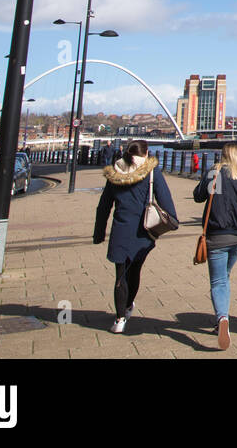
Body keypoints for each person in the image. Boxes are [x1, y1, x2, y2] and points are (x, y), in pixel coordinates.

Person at [93, 140, 178, 334]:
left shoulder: (115, 174)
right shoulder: (151, 172)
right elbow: (164, 197)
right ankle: (128, 304)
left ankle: (120, 318)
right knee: (135, 270)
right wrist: (173, 219)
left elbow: (104, 205)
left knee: (120, 274)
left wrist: (99, 233)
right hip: (142, 230)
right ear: (146, 154)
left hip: (120, 229)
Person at [193, 142, 237, 350]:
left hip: (217, 234)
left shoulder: (216, 173)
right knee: (225, 277)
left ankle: (222, 318)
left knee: (219, 281)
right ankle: (221, 318)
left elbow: (198, 196)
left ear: (223, 155)